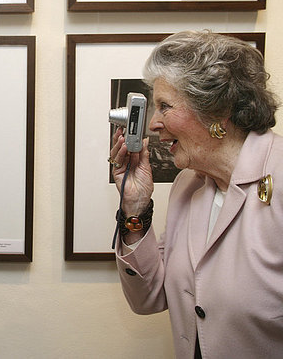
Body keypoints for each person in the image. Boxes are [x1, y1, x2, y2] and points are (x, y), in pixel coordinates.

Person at [108, 30, 283, 358]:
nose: (154, 123)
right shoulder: (187, 184)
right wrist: (135, 207)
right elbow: (149, 298)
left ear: (216, 110)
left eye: (165, 106)